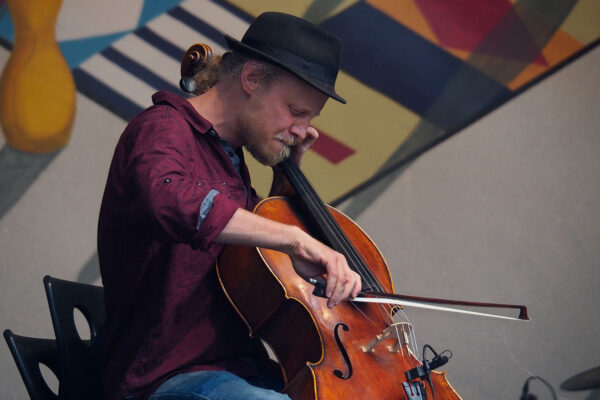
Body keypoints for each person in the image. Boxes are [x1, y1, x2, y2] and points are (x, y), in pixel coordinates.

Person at [97, 12, 361, 400]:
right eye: (296, 111)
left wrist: (290, 180)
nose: (303, 129)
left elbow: (253, 254)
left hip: (237, 369)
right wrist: (295, 240)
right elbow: (167, 199)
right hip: (163, 378)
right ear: (251, 79)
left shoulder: (230, 161)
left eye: (310, 118)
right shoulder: (162, 129)